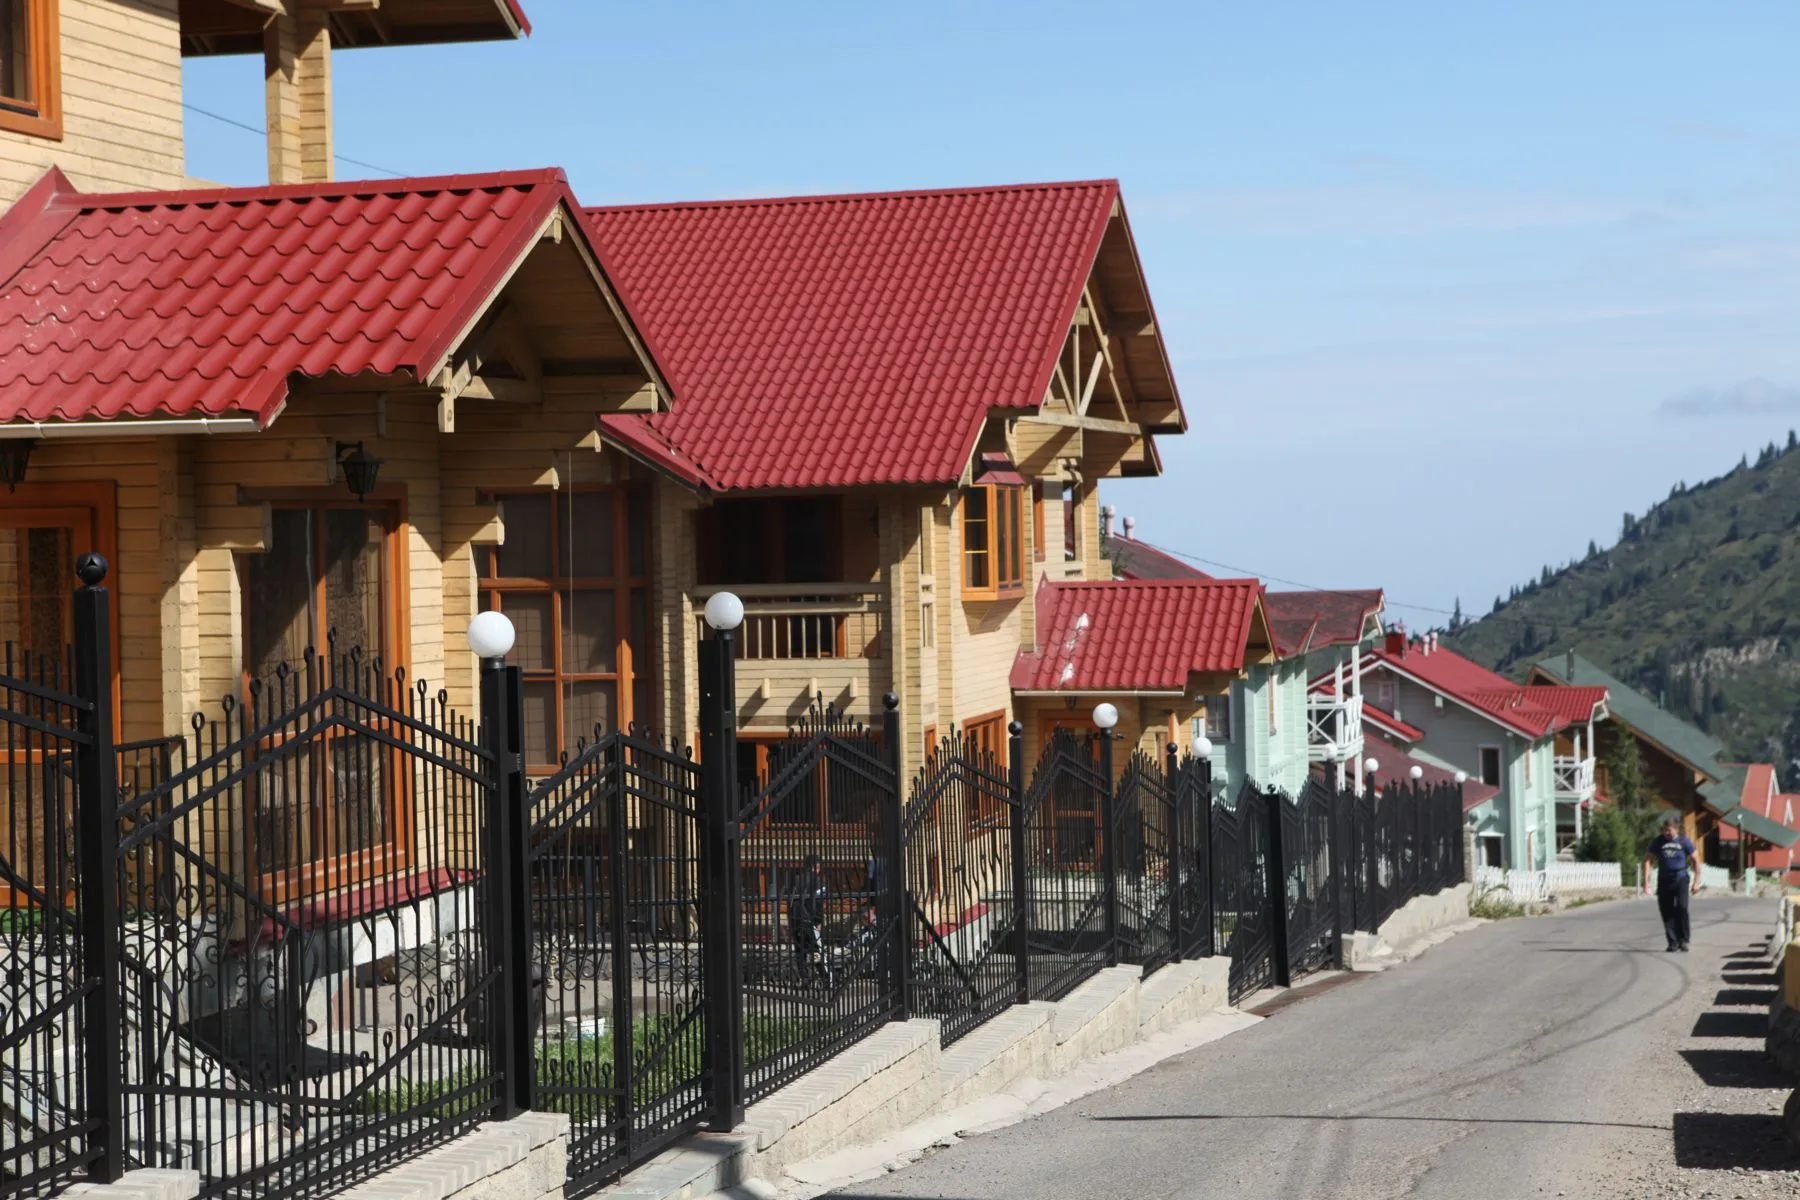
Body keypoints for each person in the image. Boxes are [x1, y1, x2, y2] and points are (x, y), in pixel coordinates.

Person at [1643, 815, 1699, 952]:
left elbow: (1696, 860)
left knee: (1682, 908)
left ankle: (1684, 940)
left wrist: (1696, 882)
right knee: (1666, 911)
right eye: (1664, 830)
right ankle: (1673, 942)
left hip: (1681, 879)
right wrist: (1646, 883)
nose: (1666, 833)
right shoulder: (1658, 842)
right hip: (1664, 880)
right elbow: (1648, 861)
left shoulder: (1684, 841)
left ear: (1676, 829)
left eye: (1669, 830)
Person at [787, 853, 828, 983]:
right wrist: (818, 920)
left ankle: (805, 978)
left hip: (795, 920)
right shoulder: (817, 880)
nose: (819, 869)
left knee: (800, 951)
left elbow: (791, 900)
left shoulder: (795, 879)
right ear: (814, 867)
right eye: (818, 866)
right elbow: (817, 902)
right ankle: (825, 978)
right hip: (809, 920)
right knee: (816, 950)